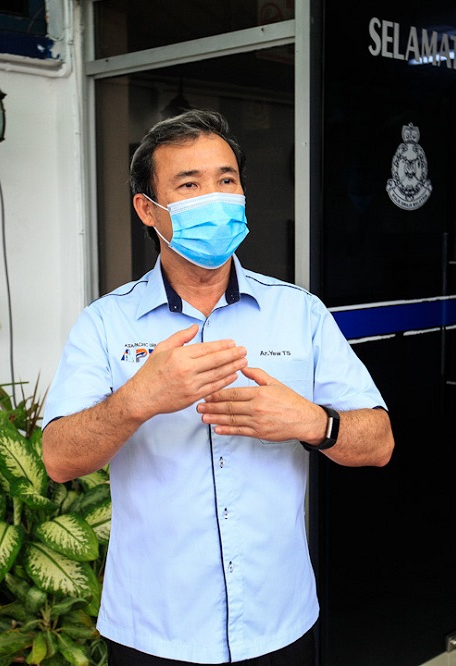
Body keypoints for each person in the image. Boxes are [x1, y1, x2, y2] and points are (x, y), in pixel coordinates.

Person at [41, 109, 393, 665]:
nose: (214, 198)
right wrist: (137, 400)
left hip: (278, 620)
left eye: (226, 180)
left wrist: (311, 421)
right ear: (147, 209)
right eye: (189, 185)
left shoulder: (299, 313)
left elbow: (379, 443)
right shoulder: (105, 323)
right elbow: (59, 459)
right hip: (154, 628)